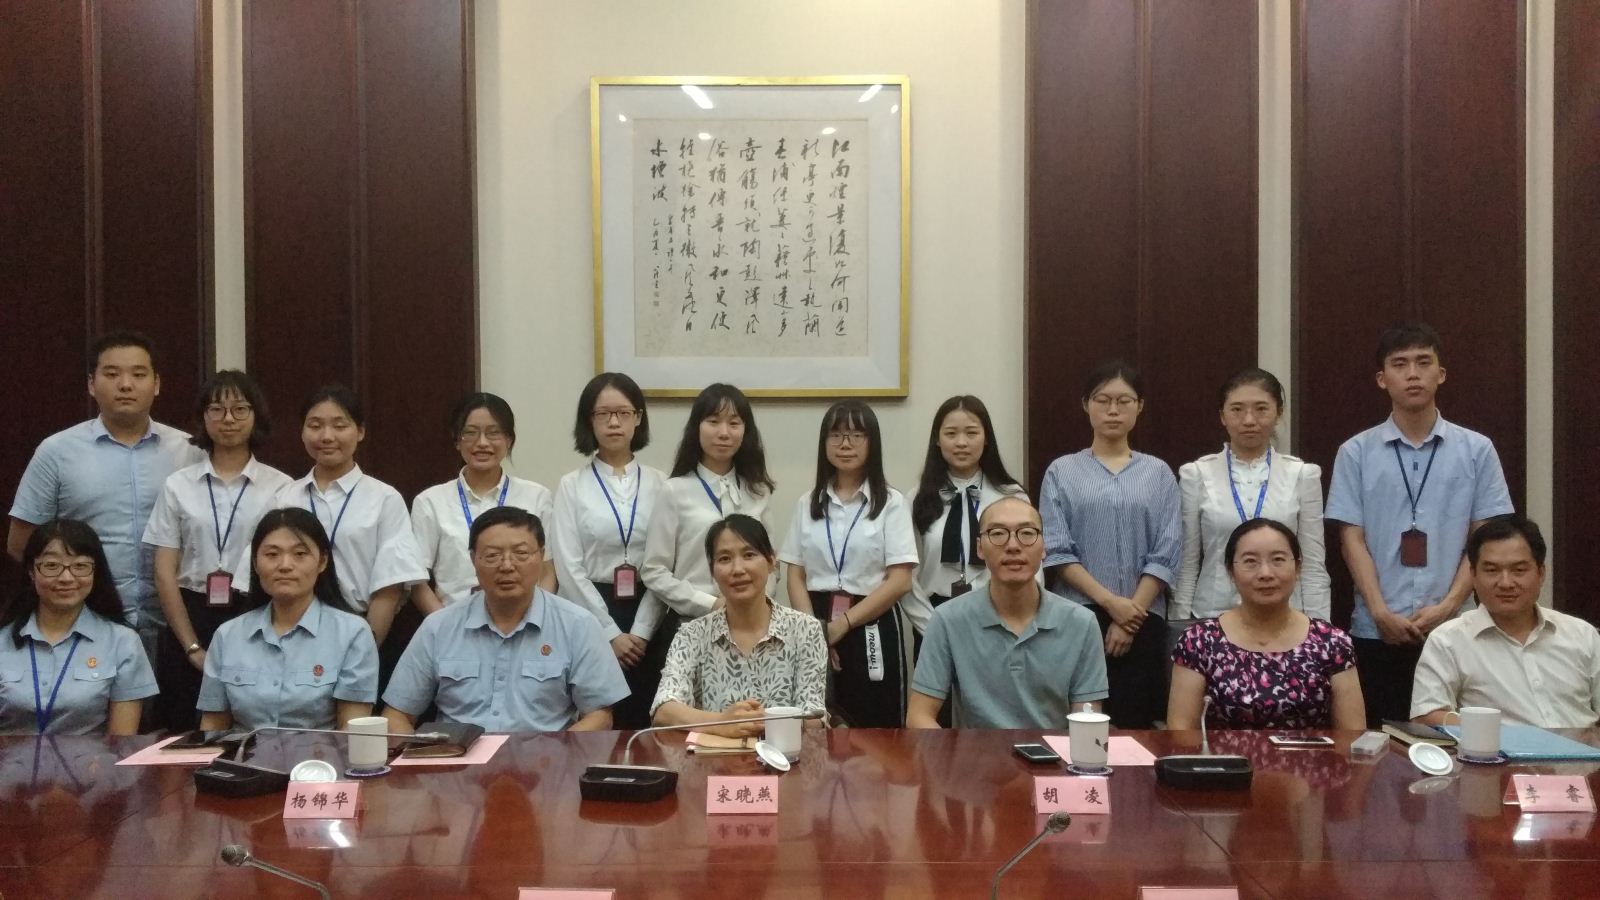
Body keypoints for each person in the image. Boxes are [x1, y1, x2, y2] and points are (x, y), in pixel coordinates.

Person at [1325, 323, 1513, 726]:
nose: (1413, 374)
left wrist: (1448, 607)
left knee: (1460, 740)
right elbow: (1351, 540)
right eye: (1400, 364)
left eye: (1423, 362)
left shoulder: (1477, 450)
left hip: (1456, 628)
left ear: (1440, 374)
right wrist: (1379, 611)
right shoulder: (1355, 452)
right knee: (1378, 743)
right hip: (1376, 630)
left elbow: (1485, 542)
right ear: (1382, 379)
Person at [9, 331, 205, 655]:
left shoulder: (191, 452)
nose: (125, 385)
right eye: (112, 374)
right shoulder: (56, 452)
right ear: (91, 383)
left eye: (138, 374)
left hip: (176, 629)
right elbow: (22, 544)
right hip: (86, 626)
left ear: (156, 383)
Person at [383, 506, 628, 733]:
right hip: (457, 760)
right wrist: (423, 759)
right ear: (473, 560)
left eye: (521, 553)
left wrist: (556, 754)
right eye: (492, 555)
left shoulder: (578, 625)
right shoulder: (438, 627)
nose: (507, 566)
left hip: (543, 760)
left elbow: (600, 716)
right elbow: (397, 715)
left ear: (541, 556)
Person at [142, 370, 293, 732]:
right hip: (188, 613)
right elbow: (164, 570)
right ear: (203, 417)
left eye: (240, 409)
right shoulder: (178, 485)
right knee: (182, 729)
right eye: (216, 409)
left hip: (254, 610)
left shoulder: (281, 487)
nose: (228, 419)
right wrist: (192, 647)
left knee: (246, 721)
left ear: (256, 415)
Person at [1039, 361, 1182, 729]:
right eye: (1103, 400)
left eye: (1124, 401)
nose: (1113, 410)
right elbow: (1057, 550)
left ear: (1140, 406)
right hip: (1078, 614)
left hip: (1143, 617)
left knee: (1137, 729)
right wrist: (1111, 604)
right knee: (1078, 725)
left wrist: (1129, 617)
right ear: (1086, 405)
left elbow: (1167, 551)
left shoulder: (1159, 473)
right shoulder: (1061, 471)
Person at [234, 386, 426, 651]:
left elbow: (389, 586)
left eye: (339, 425)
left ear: (360, 431)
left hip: (361, 626)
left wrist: (364, 650)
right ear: (302, 432)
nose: (326, 436)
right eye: (315, 426)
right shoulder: (285, 498)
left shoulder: (384, 498)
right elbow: (259, 573)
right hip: (291, 630)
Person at [908, 497, 1108, 729]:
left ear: (1044, 547)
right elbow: (918, 716)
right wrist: (955, 752)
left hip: (1053, 751)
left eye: (1027, 533)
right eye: (998, 533)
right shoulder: (947, 620)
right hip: (975, 751)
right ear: (979, 548)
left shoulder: (1081, 623)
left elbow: (1087, 720)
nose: (1013, 545)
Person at [780, 401, 918, 726]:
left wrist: (843, 624)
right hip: (815, 618)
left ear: (873, 443)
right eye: (836, 435)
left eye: (857, 435)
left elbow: (900, 581)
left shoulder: (892, 503)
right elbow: (795, 576)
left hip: (871, 620)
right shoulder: (808, 502)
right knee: (816, 721)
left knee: (876, 726)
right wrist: (815, 634)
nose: (845, 444)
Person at [636, 384, 775, 705]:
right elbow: (654, 570)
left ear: (746, 431)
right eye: (713, 421)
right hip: (691, 625)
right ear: (696, 428)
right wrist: (709, 604)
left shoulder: (758, 492)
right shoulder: (674, 491)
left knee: (748, 716)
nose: (724, 432)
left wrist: (759, 607)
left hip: (753, 631)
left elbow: (770, 562)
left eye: (734, 423)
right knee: (693, 719)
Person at [1172, 368, 1329, 649]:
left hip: (1287, 622)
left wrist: (1319, 633)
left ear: (1278, 413)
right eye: (1237, 410)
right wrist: (1179, 625)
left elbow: (1313, 563)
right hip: (1212, 618)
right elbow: (1187, 563)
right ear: (1222, 416)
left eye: (1261, 409)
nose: (1249, 420)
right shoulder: (1196, 474)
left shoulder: (1302, 475)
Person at [1167, 519, 1365, 731]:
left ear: (1298, 567)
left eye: (1278, 560)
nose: (1266, 573)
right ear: (1230, 572)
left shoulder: (1332, 642)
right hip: (1221, 754)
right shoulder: (1199, 641)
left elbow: (1352, 737)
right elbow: (1181, 733)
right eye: (1250, 561)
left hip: (1309, 754)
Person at [550, 373, 666, 729]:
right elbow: (568, 567)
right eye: (603, 414)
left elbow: (666, 562)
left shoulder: (662, 483)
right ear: (589, 420)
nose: (614, 422)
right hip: (590, 612)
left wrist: (642, 631)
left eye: (623, 413)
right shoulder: (571, 485)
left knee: (649, 715)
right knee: (599, 716)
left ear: (638, 418)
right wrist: (609, 633)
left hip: (652, 606)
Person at [198, 509, 378, 731]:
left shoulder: (353, 633)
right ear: (255, 563)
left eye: (300, 554)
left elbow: (352, 733)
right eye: (272, 555)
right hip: (241, 753)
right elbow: (213, 728)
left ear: (322, 561)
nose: (285, 565)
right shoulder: (227, 635)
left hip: (321, 754)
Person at [1411, 516, 1600, 728]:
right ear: (1473, 575)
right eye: (1492, 570)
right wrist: (1494, 732)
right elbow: (1426, 715)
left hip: (1584, 748)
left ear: (1541, 573)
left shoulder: (1582, 634)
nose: (1506, 583)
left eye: (1519, 570)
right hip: (1497, 748)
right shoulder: (1448, 641)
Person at [652, 515, 827, 736]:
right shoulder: (692, 634)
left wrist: (757, 722)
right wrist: (722, 722)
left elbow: (814, 717)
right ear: (712, 571)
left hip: (786, 754)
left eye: (749, 555)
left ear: (771, 561)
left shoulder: (806, 630)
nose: (737, 569)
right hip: (712, 755)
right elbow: (664, 710)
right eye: (724, 559)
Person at [0, 520, 157, 735]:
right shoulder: (3, 640)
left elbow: (121, 743)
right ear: (31, 572)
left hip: (93, 758)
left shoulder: (123, 642)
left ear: (95, 572)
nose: (66, 578)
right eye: (51, 566)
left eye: (80, 566)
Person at [411, 392, 556, 614]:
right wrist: (445, 625)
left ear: (509, 440)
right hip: (455, 620)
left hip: (525, 620)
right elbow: (417, 582)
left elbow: (547, 571)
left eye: (493, 433)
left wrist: (536, 617)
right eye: (470, 433)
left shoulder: (536, 496)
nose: (482, 443)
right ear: (457, 440)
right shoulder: (430, 502)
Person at [905, 395, 1032, 642]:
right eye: (951, 434)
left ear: (986, 438)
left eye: (971, 433)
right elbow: (906, 575)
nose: (961, 442)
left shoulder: (1011, 496)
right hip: (934, 618)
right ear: (937, 440)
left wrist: (1018, 619)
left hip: (1000, 616)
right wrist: (933, 629)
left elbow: (1030, 563)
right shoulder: (916, 499)